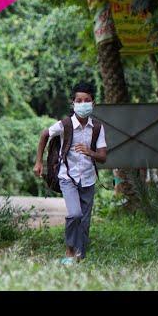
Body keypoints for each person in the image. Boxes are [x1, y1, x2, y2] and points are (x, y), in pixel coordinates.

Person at [33, 81, 107, 265]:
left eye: (87, 100)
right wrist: (38, 162)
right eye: (79, 100)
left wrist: (90, 152)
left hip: (88, 179)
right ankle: (69, 250)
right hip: (67, 177)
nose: (83, 104)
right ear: (73, 103)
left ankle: (80, 256)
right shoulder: (65, 125)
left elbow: (103, 157)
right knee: (75, 214)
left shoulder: (97, 128)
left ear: (93, 103)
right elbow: (44, 134)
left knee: (85, 221)